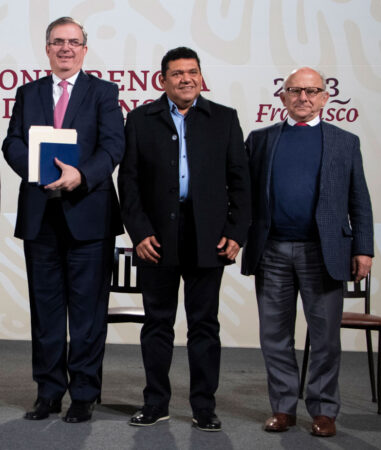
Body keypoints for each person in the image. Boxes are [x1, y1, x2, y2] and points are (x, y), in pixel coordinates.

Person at [118, 47, 250, 431]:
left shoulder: (224, 119)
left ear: (201, 76)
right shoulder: (141, 119)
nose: (186, 79)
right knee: (157, 324)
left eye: (192, 72)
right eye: (177, 73)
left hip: (209, 239)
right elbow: (128, 183)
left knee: (204, 325)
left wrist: (235, 233)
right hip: (155, 239)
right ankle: (155, 402)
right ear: (163, 80)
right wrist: (139, 232)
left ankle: (204, 406)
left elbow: (241, 182)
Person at [2, 17, 124, 423]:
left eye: (73, 42)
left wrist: (82, 175)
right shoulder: (29, 92)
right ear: (47, 49)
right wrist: (36, 169)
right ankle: (49, 391)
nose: (66, 49)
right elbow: (12, 141)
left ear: (85, 49)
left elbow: (113, 146)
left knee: (88, 314)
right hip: (41, 216)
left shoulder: (104, 93)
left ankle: (85, 393)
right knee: (46, 310)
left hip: (89, 215)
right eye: (58, 42)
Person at [242, 67, 373, 437]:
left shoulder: (345, 142)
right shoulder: (261, 139)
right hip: (272, 251)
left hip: (324, 252)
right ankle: (283, 408)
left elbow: (359, 200)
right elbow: (244, 195)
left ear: (325, 97)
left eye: (312, 90)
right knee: (274, 335)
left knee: (326, 337)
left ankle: (323, 410)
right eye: (295, 91)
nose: (304, 97)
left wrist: (363, 249)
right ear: (282, 97)